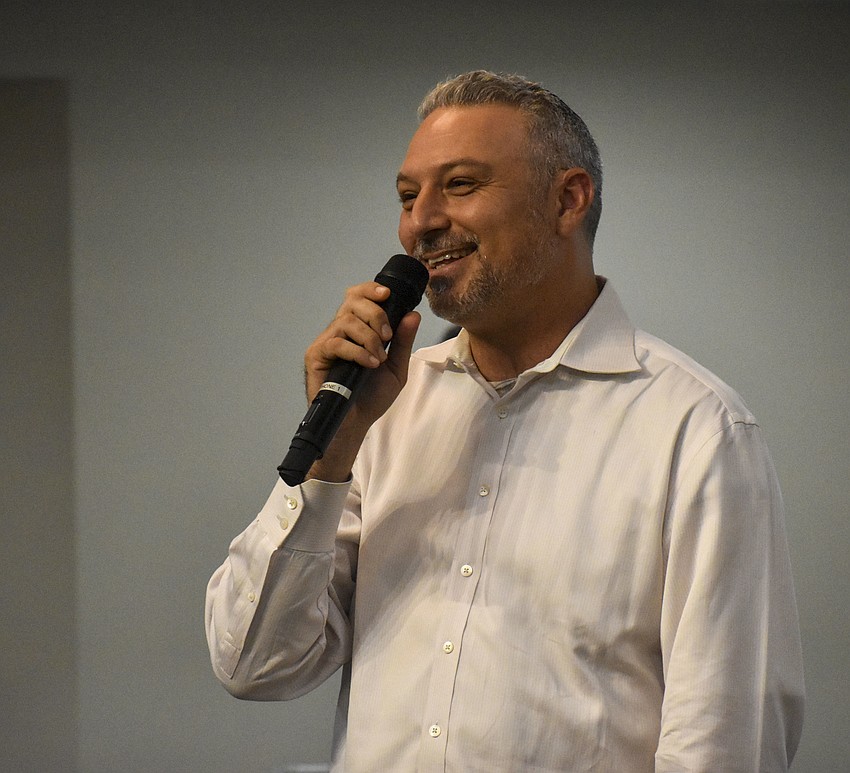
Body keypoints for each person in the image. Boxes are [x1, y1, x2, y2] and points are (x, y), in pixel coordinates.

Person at [205, 70, 805, 771]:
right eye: (407, 196)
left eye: (459, 185)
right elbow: (256, 663)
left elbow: (726, 739)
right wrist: (327, 456)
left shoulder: (696, 429)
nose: (420, 222)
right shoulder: (385, 409)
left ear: (567, 199)